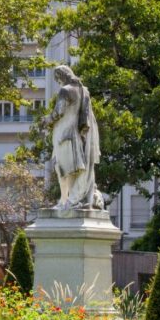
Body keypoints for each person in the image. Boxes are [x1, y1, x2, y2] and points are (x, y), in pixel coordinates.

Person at [50, 65, 103, 211]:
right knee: (73, 169)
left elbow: (58, 112)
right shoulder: (83, 90)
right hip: (79, 135)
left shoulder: (65, 90)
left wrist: (46, 120)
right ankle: (70, 199)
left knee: (61, 168)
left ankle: (65, 200)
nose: (57, 81)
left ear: (61, 76)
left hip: (65, 134)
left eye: (57, 78)